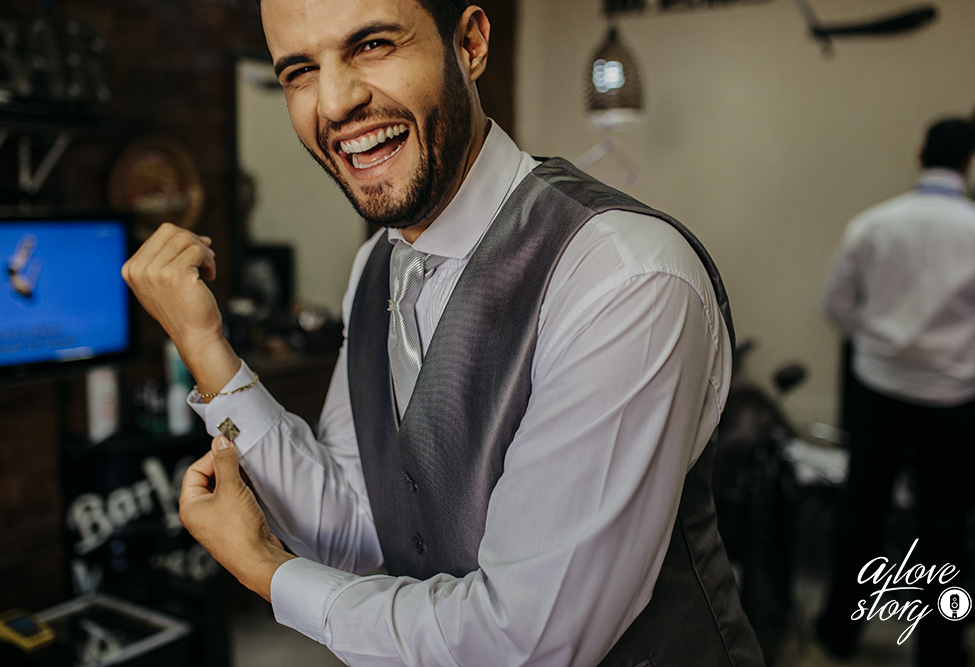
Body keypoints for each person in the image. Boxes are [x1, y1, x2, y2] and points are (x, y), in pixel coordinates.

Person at [122, 0, 764, 664]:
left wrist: (266, 570)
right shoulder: (377, 266)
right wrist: (203, 344)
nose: (335, 102)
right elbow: (355, 526)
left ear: (472, 43)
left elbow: (530, 640)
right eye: (299, 70)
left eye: (371, 45)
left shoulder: (622, 276)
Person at [817, 118, 975, 666]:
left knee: (861, 512)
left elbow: (835, 306)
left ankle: (838, 631)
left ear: (920, 154)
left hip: (880, 388)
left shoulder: (874, 224)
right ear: (969, 164)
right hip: (953, 401)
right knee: (945, 528)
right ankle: (942, 646)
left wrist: (876, 344)